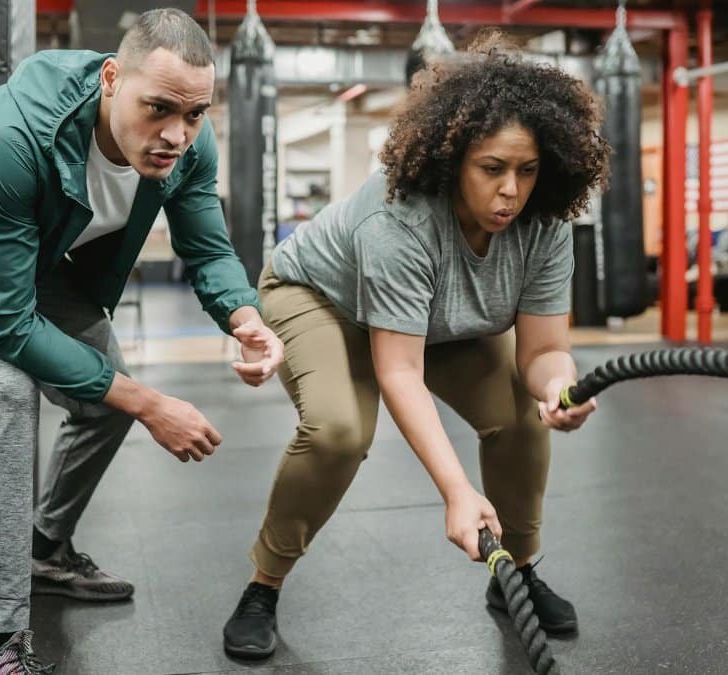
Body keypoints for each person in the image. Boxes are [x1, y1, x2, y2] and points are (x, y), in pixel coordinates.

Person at [0, 9, 283, 674]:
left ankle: (44, 546)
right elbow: (4, 323)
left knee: (104, 389)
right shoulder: (9, 133)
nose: (176, 134)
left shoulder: (185, 145)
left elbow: (206, 244)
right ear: (112, 80)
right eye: (159, 109)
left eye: (196, 114)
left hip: (31, 251)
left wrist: (244, 315)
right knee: (6, 394)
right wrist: (149, 402)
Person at [220, 35, 609, 660]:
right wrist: (457, 493)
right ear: (454, 160)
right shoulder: (400, 218)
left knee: (519, 412)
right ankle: (263, 586)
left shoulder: (546, 224)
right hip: (322, 299)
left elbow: (541, 351)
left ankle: (516, 573)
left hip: (437, 321)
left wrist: (557, 388)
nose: (511, 190)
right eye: (492, 169)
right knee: (339, 431)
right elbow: (399, 372)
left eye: (527, 170)